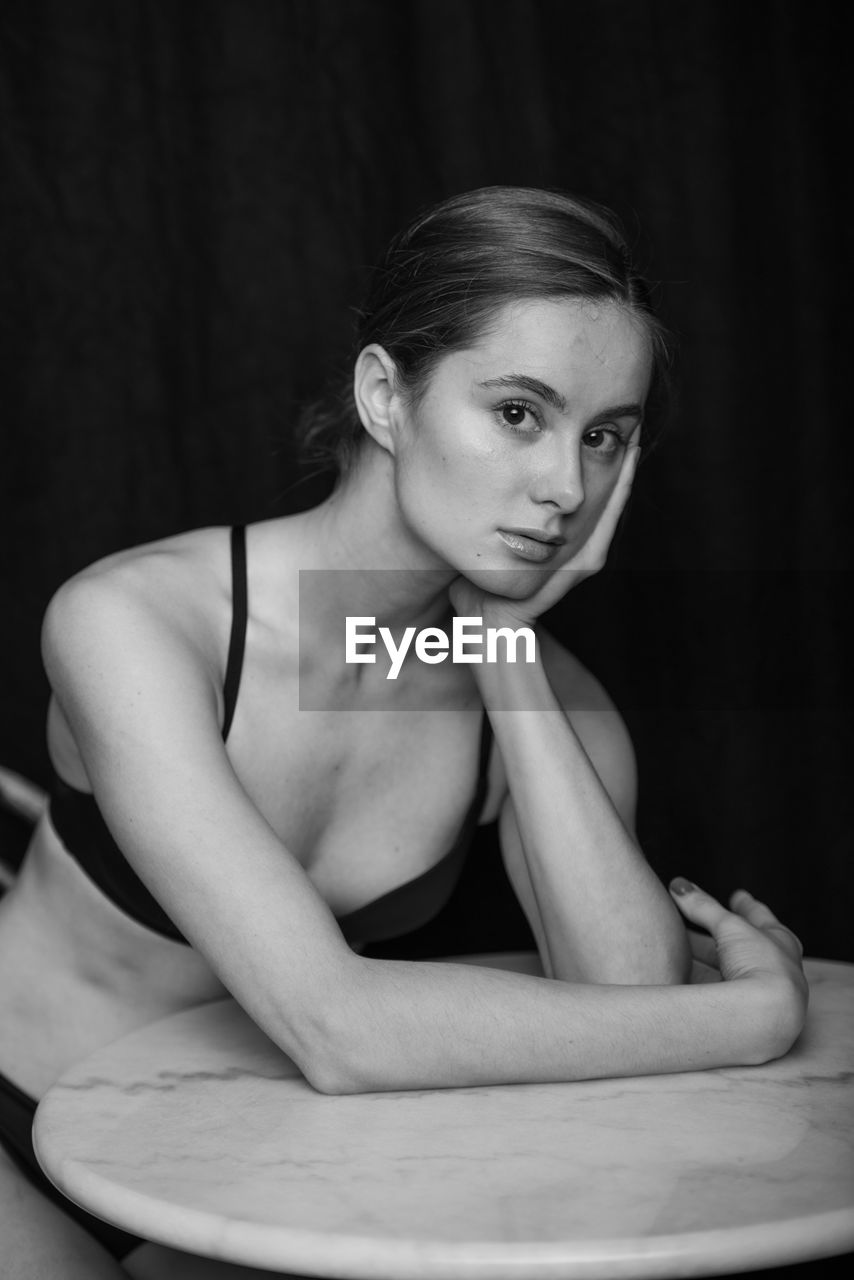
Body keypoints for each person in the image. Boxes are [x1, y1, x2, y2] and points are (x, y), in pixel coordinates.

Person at [0, 186, 808, 1278]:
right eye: (518, 412)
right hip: (16, 1118)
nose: (565, 486)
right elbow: (339, 1028)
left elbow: (630, 1017)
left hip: (245, 1173)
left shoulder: (553, 702)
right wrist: (750, 1017)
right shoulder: (138, 622)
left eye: (605, 436)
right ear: (385, 395)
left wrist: (499, 649)